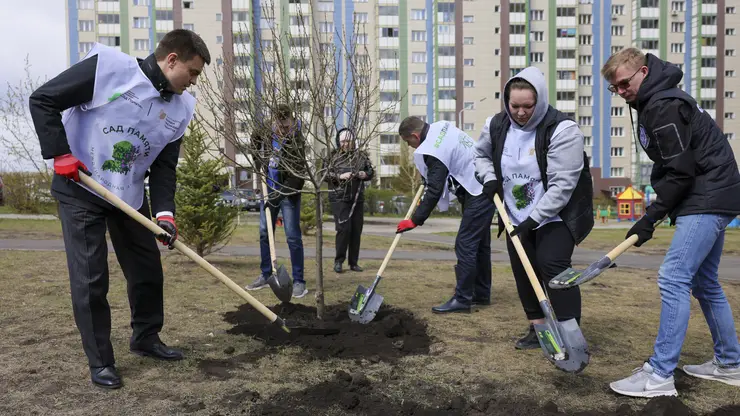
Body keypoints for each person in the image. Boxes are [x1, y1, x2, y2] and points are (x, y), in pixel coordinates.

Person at [28, 29, 211, 389]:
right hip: (81, 187)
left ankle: (146, 337)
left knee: (146, 271)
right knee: (91, 279)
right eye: (192, 73)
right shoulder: (109, 69)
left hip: (127, 196)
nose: (193, 83)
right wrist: (60, 153)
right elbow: (43, 99)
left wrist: (165, 214)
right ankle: (100, 361)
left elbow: (163, 168)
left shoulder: (180, 109)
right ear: (171, 60)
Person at [602, 48, 740, 397]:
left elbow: (680, 173)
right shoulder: (660, 101)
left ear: (643, 72)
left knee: (673, 277)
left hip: (706, 197)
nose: (621, 92)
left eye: (623, 83)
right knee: (704, 282)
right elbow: (674, 165)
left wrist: (649, 217)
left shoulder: (661, 105)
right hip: (716, 194)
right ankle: (730, 363)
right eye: (614, 88)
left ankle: (659, 375)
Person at [474, 66, 594, 349]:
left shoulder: (562, 130)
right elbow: (479, 155)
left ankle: (568, 330)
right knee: (523, 268)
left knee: (552, 266)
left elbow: (563, 185)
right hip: (514, 212)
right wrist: (489, 178)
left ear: (540, 100)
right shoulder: (496, 125)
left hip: (557, 214)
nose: (520, 112)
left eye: (528, 106)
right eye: (514, 105)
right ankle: (538, 329)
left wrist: (534, 218)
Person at [397, 116, 495, 313]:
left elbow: (434, 190)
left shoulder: (433, 149)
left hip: (479, 189)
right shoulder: (441, 127)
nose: (410, 147)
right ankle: (481, 294)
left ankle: (462, 299)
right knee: (480, 244)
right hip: (483, 183)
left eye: (409, 142)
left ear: (415, 136)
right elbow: (441, 171)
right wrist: (430, 176)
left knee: (465, 243)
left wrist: (415, 220)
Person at [245, 104, 308, 298]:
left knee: (292, 236)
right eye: (280, 127)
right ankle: (266, 274)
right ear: (275, 122)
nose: (283, 131)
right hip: (268, 189)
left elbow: (297, 176)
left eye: (286, 127)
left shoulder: (297, 139)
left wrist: (278, 194)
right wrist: (259, 162)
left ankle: (299, 281)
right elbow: (254, 142)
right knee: (265, 233)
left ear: (291, 120)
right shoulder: (265, 131)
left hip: (288, 193)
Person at [326, 128, 374, 273]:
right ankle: (339, 261)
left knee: (356, 230)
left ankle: (354, 263)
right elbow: (325, 174)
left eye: (349, 141)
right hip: (339, 198)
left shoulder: (361, 156)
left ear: (353, 142)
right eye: (343, 141)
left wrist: (364, 174)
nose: (346, 144)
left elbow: (371, 172)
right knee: (343, 229)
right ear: (339, 142)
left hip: (357, 199)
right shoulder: (332, 157)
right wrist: (340, 176)